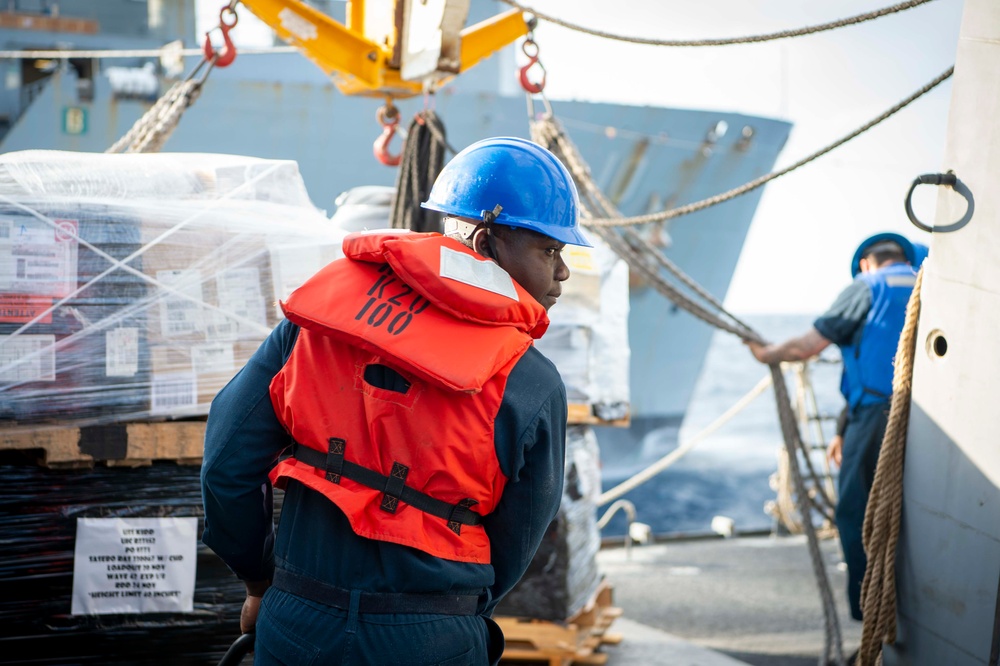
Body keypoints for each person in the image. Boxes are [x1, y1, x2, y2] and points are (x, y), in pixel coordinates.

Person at [200, 136, 591, 666]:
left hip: (297, 624)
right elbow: (519, 539)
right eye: (549, 251)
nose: (561, 272)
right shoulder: (531, 383)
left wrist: (259, 579)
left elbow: (225, 466)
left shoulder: (316, 323)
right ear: (484, 243)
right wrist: (446, 613)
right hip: (433, 639)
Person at [746, 232, 919, 624]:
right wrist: (843, 428)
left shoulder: (866, 286)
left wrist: (765, 353)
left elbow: (807, 347)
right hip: (923, 417)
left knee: (855, 511)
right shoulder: (927, 281)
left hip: (877, 417)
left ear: (865, 263)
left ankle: (869, 611)